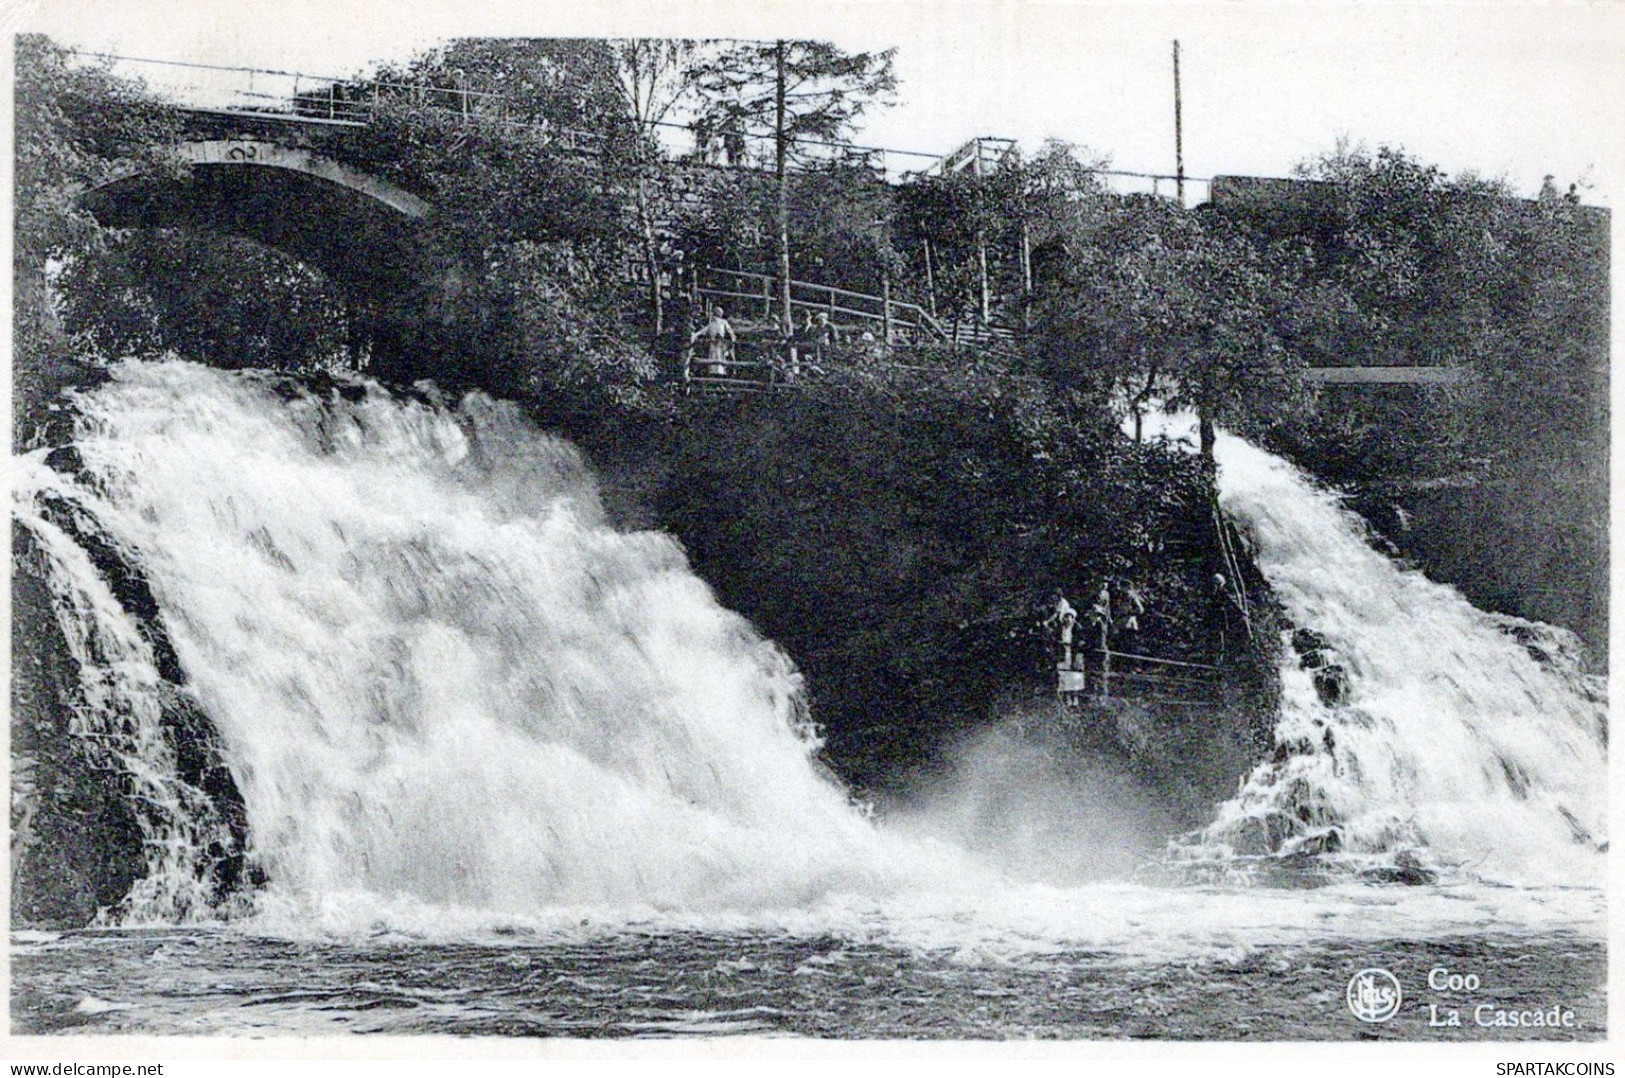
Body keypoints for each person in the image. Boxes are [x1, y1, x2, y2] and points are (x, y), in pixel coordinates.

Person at [690, 307, 736, 377]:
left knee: (720, 359)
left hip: (720, 344)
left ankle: (721, 375)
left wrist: (732, 338)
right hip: (713, 343)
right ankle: (712, 375)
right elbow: (704, 330)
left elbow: (730, 331)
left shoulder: (723, 322)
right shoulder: (712, 323)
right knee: (712, 359)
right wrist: (695, 335)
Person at [1041, 590, 1078, 669]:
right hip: (1061, 623)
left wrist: (1047, 622)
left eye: (1054, 596)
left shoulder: (1063, 603)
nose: (1053, 598)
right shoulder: (1056, 602)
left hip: (1062, 622)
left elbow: (1056, 614)